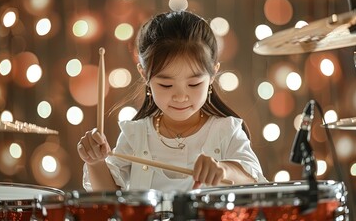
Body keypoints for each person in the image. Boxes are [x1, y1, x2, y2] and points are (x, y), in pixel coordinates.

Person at [77, 10, 267, 193]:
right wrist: (95, 162)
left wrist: (224, 169)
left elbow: (253, 178)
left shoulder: (226, 130)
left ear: (212, 75)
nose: (180, 96)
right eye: (166, 85)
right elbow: (111, 199)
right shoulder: (135, 134)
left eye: (194, 84)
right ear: (144, 75)